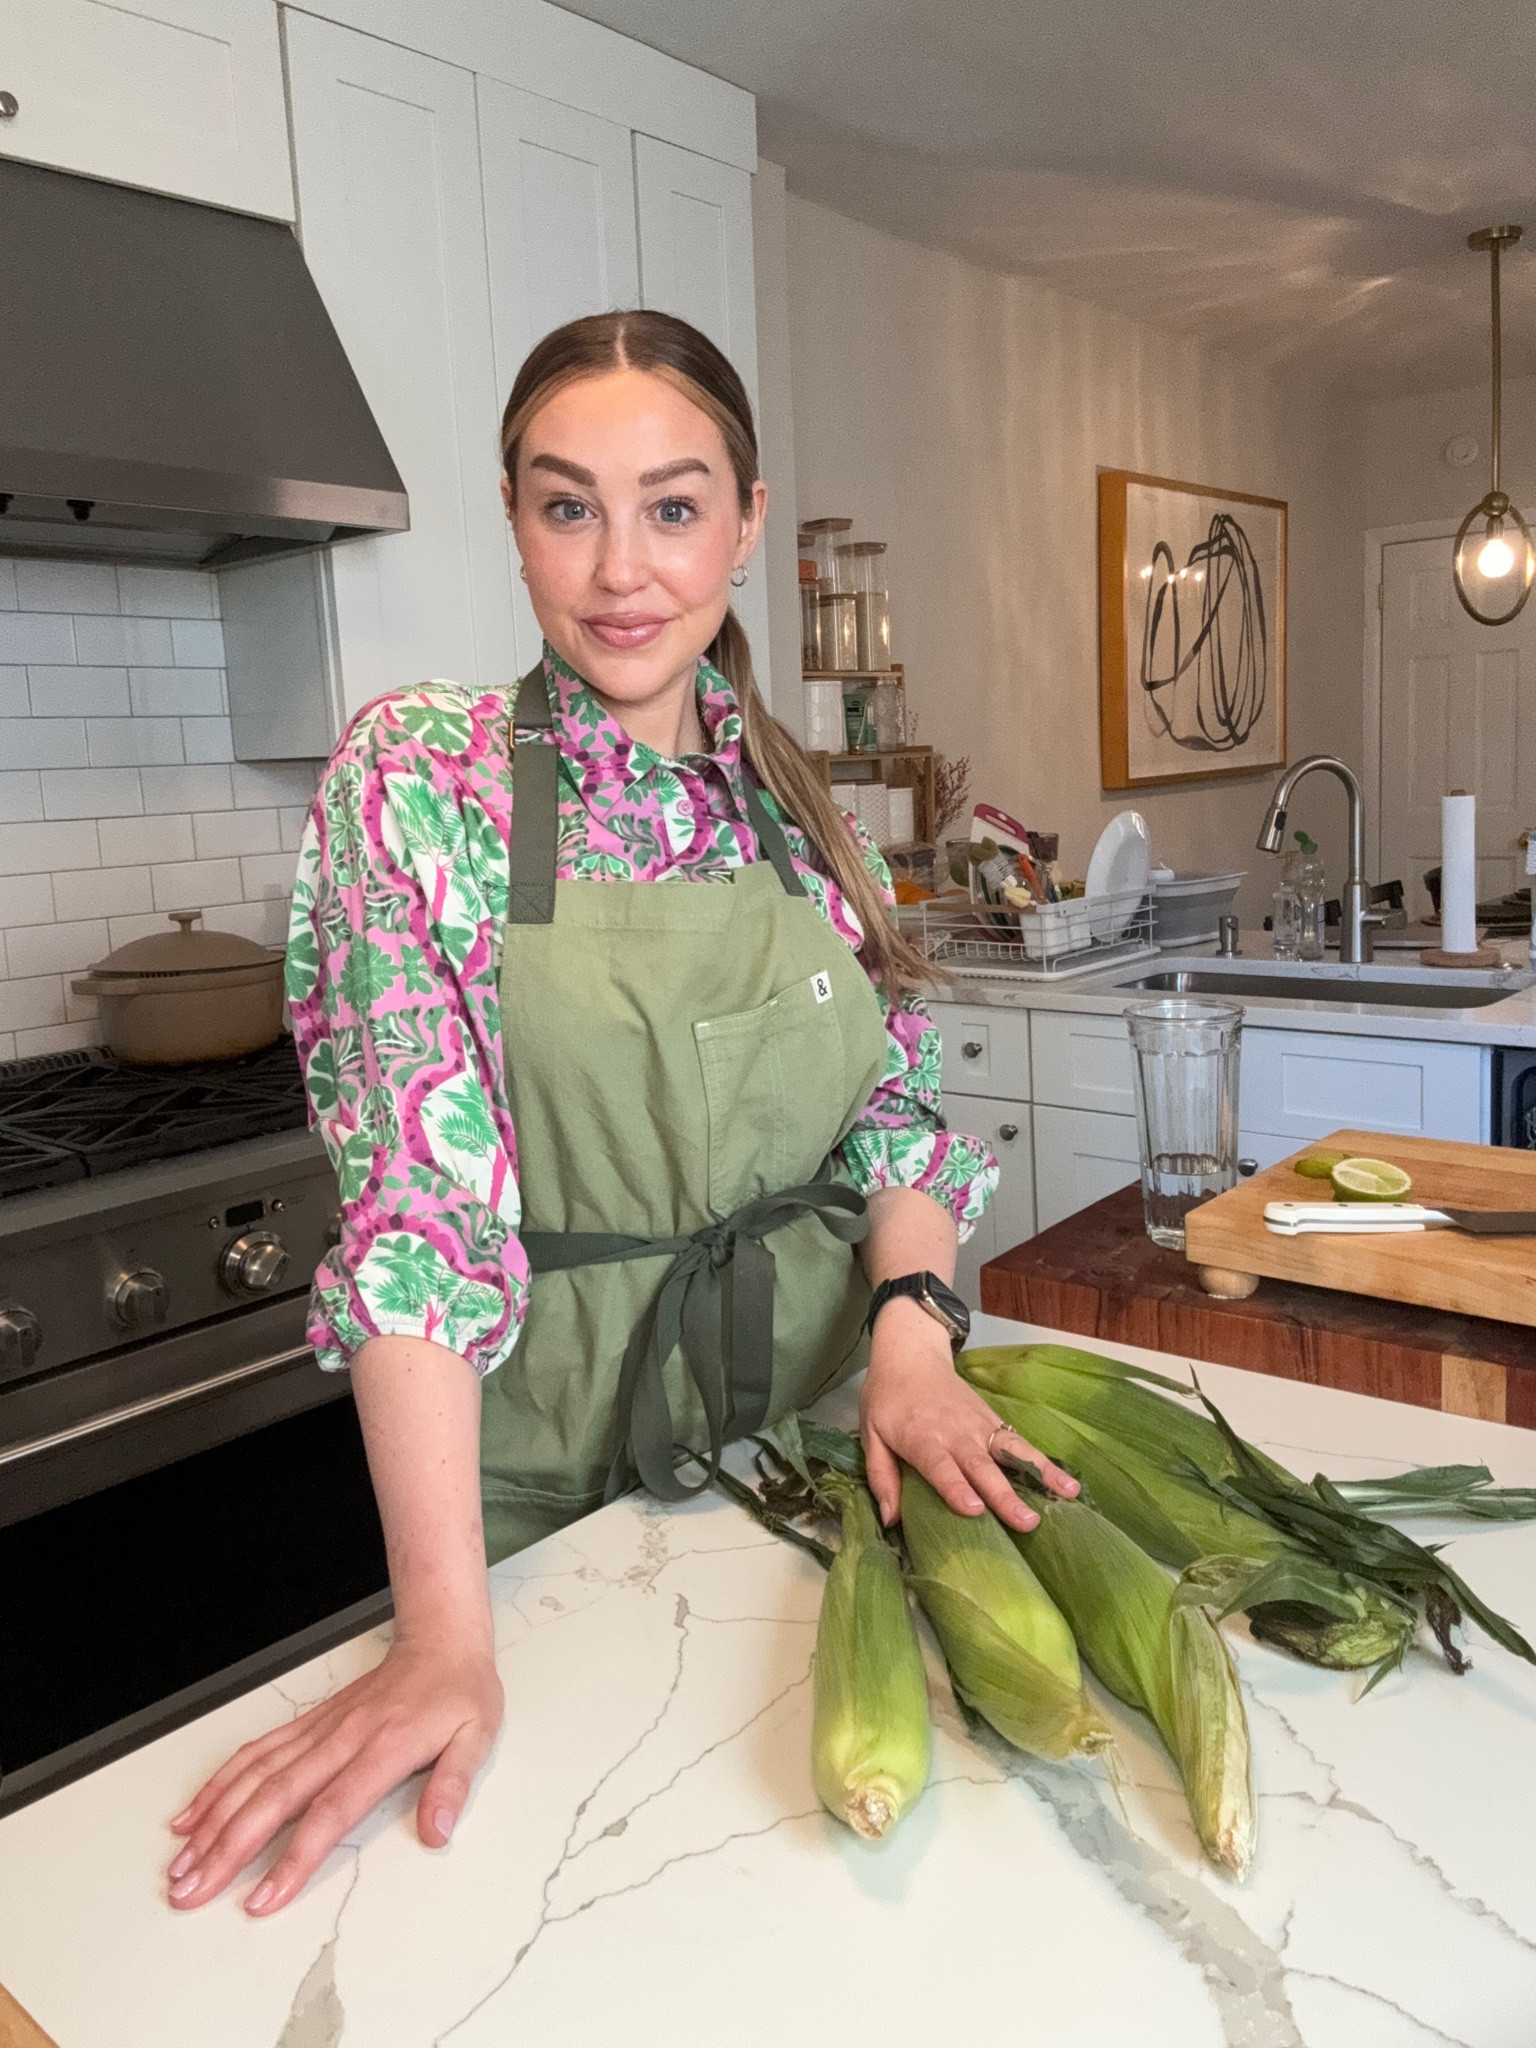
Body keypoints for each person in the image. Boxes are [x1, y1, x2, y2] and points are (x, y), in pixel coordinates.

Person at [165, 311, 1078, 1916]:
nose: (620, 570)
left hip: (816, 1465)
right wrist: (446, 1636)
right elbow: (422, 1223)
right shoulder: (421, 780)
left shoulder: (799, 809)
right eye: (565, 505)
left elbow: (903, 1115)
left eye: (671, 506)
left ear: (743, 518)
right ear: (513, 521)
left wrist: (917, 1345)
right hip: (551, 1516)